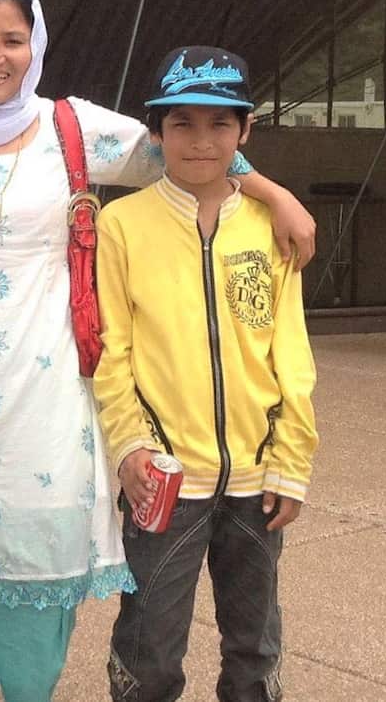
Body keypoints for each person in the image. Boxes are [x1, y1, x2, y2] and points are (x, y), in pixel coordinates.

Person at [0, 0, 316, 702]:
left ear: (36, 46)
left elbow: (185, 149)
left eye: (13, 40)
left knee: (38, 560)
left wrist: (274, 193)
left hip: (47, 384)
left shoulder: (71, 126)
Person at [94, 46, 317, 702]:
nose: (201, 140)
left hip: (257, 479)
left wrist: (291, 460)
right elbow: (112, 352)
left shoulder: (271, 227)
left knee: (254, 649)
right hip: (165, 478)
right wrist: (130, 446)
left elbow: (292, 352)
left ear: (245, 132)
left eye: (220, 123)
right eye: (182, 123)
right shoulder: (121, 225)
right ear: (155, 132)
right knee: (149, 650)